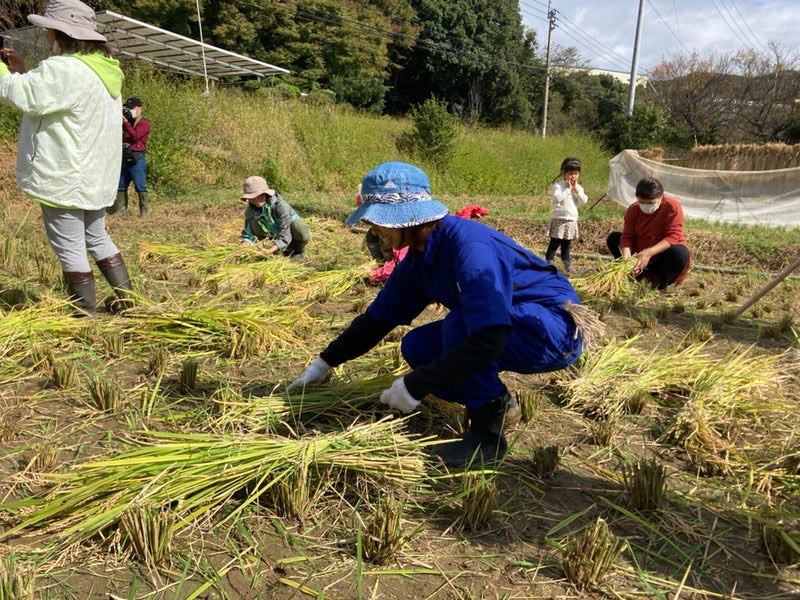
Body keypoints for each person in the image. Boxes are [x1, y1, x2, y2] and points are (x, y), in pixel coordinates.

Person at [288, 162, 594, 468]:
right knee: (417, 347)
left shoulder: (469, 247)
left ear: (404, 217)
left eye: (377, 221)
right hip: (509, 326)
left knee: (461, 326)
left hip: (553, 328)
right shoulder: (420, 259)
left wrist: (416, 385)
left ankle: (487, 435)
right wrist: (323, 363)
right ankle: (499, 402)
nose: (374, 230)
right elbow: (376, 321)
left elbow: (489, 336)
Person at [0, 0, 133, 317]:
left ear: (59, 32)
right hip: (94, 176)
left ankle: (83, 313)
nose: (45, 33)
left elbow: (25, 96)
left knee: (69, 244)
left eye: (47, 28)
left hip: (65, 174)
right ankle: (128, 302)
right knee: (96, 236)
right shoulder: (104, 70)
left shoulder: (64, 69)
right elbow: (48, 94)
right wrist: (19, 70)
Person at [606, 176, 691, 289]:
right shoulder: (634, 209)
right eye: (642, 202)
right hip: (639, 256)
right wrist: (627, 259)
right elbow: (627, 236)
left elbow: (673, 236)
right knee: (614, 238)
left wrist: (648, 253)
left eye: (650, 202)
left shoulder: (671, 207)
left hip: (661, 258)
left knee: (680, 253)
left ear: (661, 197)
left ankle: (665, 284)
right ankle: (633, 275)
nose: (646, 206)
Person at [239, 175, 311, 261]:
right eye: (252, 198)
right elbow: (248, 233)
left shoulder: (280, 206)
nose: (256, 200)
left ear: (266, 194)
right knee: (253, 222)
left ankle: (297, 251)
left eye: (259, 195)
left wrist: (270, 250)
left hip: (289, 234)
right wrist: (245, 244)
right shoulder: (250, 210)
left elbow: (286, 233)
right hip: (273, 235)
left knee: (298, 227)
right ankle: (279, 249)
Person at [109, 96, 150, 218]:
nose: (130, 110)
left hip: (137, 158)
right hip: (125, 156)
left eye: (132, 108)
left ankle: (144, 213)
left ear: (140, 109)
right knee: (121, 184)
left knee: (140, 185)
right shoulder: (126, 122)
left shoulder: (144, 123)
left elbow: (135, 136)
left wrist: (126, 123)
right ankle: (121, 210)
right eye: (128, 108)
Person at [545, 157, 588, 273]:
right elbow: (557, 198)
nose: (573, 176)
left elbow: (584, 201)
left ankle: (567, 266)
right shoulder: (558, 186)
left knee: (566, 245)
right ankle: (548, 263)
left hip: (570, 221)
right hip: (559, 219)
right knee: (554, 244)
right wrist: (568, 189)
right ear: (564, 173)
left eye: (575, 173)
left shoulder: (578, 188)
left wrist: (576, 190)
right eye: (570, 173)